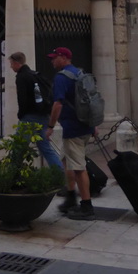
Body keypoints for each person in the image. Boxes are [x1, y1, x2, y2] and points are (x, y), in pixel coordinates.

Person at [45, 47, 95, 220]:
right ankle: (71, 196)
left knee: (79, 168)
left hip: (73, 127)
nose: (52, 61)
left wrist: (50, 126)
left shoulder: (61, 77)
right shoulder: (80, 73)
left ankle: (87, 206)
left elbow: (57, 104)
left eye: (54, 58)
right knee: (67, 160)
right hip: (85, 125)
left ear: (63, 58)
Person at [8, 51, 63, 170]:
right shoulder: (35, 74)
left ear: (17, 63)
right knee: (45, 148)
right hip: (43, 116)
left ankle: (11, 174)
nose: (11, 66)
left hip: (29, 117)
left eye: (11, 63)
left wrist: (21, 115)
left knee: (18, 147)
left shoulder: (22, 77)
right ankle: (60, 173)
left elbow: (22, 100)